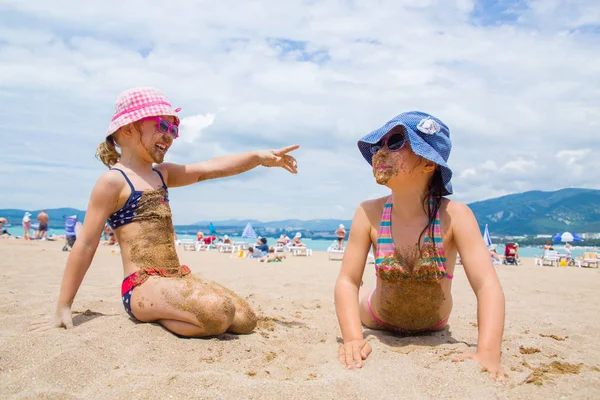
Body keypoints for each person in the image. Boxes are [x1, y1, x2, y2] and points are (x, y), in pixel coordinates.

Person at [30, 87, 299, 338]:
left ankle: (172, 310)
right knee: (219, 313)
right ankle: (158, 314)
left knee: (245, 319)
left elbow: (211, 168)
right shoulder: (113, 181)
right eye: (162, 126)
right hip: (141, 286)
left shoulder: (163, 174)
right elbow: (86, 243)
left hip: (174, 276)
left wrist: (259, 157)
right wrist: (64, 305)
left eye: (173, 129)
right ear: (128, 129)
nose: (169, 135)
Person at [334, 111, 506, 383]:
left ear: (428, 163)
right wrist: (353, 338)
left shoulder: (455, 216)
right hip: (377, 315)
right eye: (378, 145)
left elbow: (487, 285)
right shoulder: (369, 213)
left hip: (433, 323)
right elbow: (347, 279)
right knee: (362, 298)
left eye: (395, 143)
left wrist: (488, 352)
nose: (381, 151)